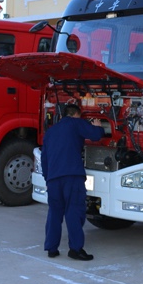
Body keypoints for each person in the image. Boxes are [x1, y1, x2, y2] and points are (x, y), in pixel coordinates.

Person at [41, 102, 103, 261]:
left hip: (53, 179)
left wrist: (48, 178)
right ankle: (75, 249)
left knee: (54, 213)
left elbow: (44, 158)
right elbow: (95, 136)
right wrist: (98, 126)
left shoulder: (50, 131)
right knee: (74, 212)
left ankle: (51, 248)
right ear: (77, 114)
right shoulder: (76, 123)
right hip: (72, 176)